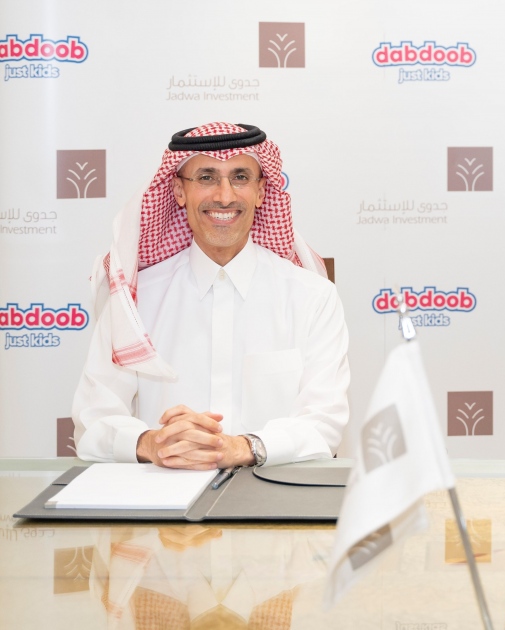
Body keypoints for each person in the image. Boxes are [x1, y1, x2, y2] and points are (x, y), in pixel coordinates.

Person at [72, 122, 350, 469]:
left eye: (240, 177)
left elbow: (324, 422)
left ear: (261, 192)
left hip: (271, 498)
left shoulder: (312, 297)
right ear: (178, 191)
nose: (224, 196)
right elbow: (93, 419)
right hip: (164, 498)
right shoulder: (136, 301)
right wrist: (152, 443)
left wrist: (241, 447)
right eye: (206, 177)